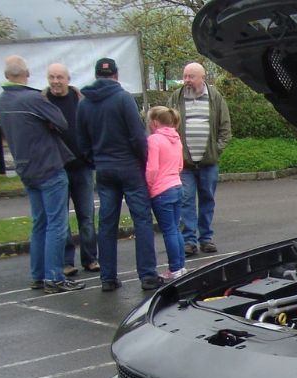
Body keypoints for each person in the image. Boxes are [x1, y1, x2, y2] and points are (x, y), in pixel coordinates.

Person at [0, 56, 85, 293]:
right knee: (56, 223)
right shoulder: (32, 98)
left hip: (25, 167)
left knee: (39, 223)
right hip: (48, 166)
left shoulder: (2, 100)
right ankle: (54, 277)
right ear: (27, 73)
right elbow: (61, 122)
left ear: (6, 76)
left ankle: (38, 274)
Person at [77, 57, 160, 291]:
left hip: (104, 168)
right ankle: (147, 275)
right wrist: (142, 161)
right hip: (129, 166)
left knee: (106, 224)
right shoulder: (123, 98)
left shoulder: (84, 103)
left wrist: (95, 161)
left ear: (96, 75)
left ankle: (108, 277)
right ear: (116, 75)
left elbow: (82, 141)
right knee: (142, 220)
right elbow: (137, 136)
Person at [168, 62, 231, 256]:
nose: (187, 80)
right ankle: (189, 241)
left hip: (208, 163)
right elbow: (167, 126)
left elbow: (225, 127)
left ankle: (206, 238)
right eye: (185, 76)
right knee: (186, 200)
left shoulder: (215, 97)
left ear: (202, 78)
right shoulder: (176, 97)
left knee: (207, 200)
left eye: (191, 77)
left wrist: (216, 150)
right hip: (184, 164)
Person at [43, 62, 99, 276]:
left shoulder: (80, 100)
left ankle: (90, 259)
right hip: (56, 169)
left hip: (82, 167)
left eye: (59, 77)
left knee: (87, 216)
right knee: (61, 219)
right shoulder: (42, 102)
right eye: (52, 77)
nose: (55, 81)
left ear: (68, 78)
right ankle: (67, 261)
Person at [145, 106, 187, 278]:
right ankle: (181, 266)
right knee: (175, 229)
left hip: (161, 190)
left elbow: (152, 168)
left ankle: (174, 268)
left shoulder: (154, 139)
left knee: (169, 231)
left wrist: (149, 186)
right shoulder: (176, 138)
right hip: (177, 185)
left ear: (155, 122)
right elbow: (180, 165)